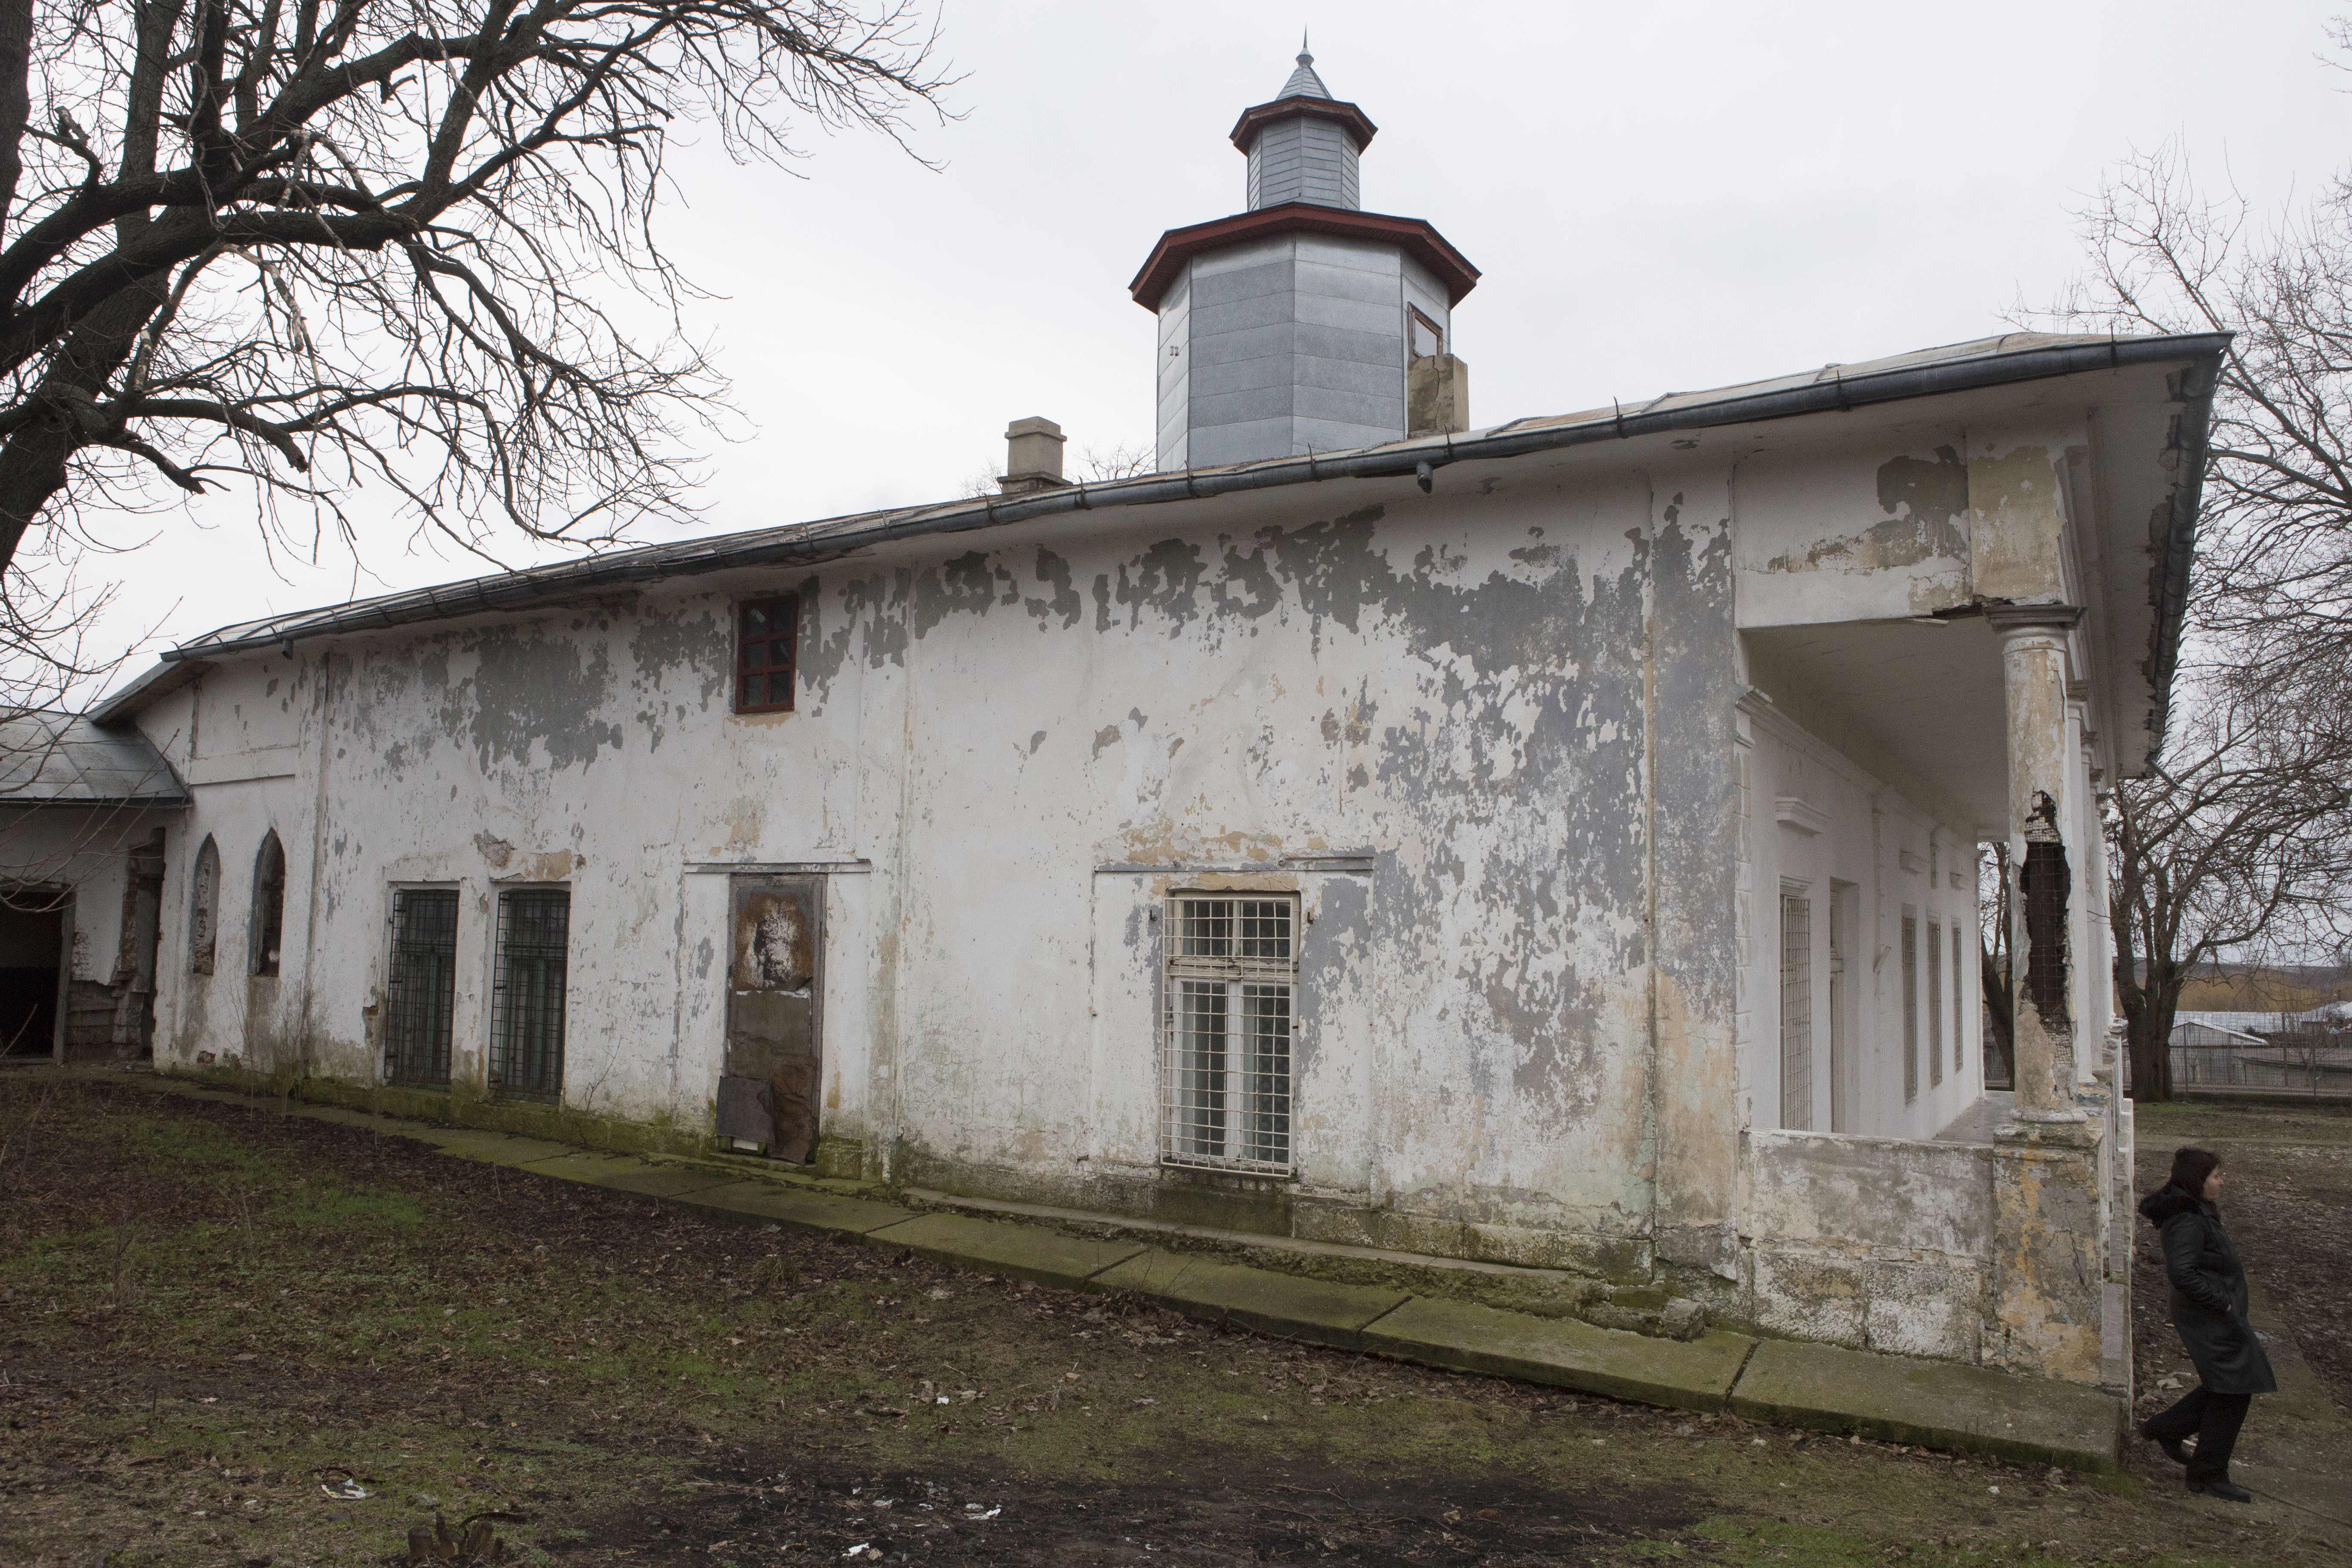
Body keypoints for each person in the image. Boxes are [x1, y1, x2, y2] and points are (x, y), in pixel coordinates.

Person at [2136, 1145, 2275, 1502]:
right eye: (2216, 1176)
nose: (2222, 1182)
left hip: (2215, 1315)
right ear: (2198, 1181)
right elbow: (2182, 1272)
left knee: (2229, 1385)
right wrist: (2222, 1302)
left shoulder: (2196, 1209)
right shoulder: (2185, 1218)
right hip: (2207, 1317)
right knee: (2234, 1388)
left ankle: (2167, 1429)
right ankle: (2208, 1473)